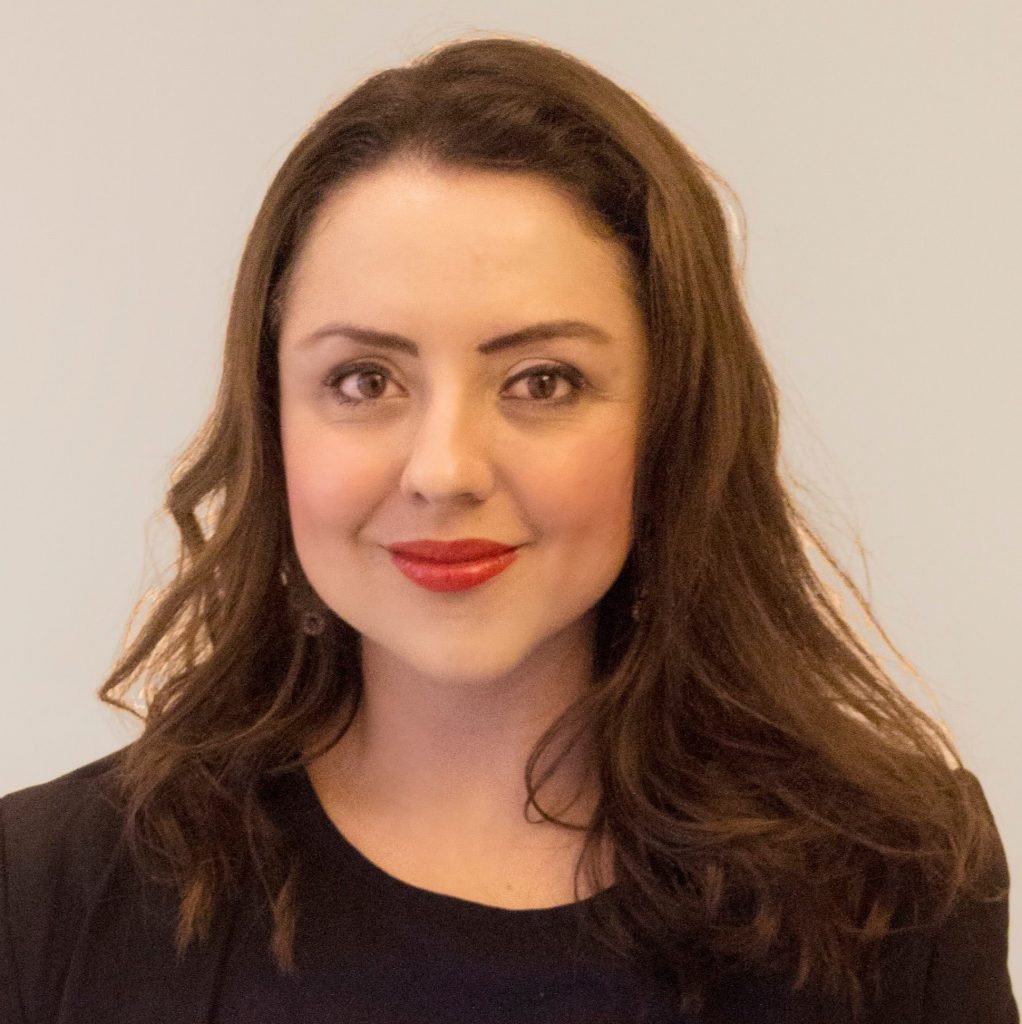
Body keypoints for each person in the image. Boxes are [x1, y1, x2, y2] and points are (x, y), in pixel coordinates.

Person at [0, 34, 1016, 1024]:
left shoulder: (893, 885)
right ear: (272, 421)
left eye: (542, 381)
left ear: (672, 418)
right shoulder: (42, 894)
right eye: (364, 380)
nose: (444, 470)